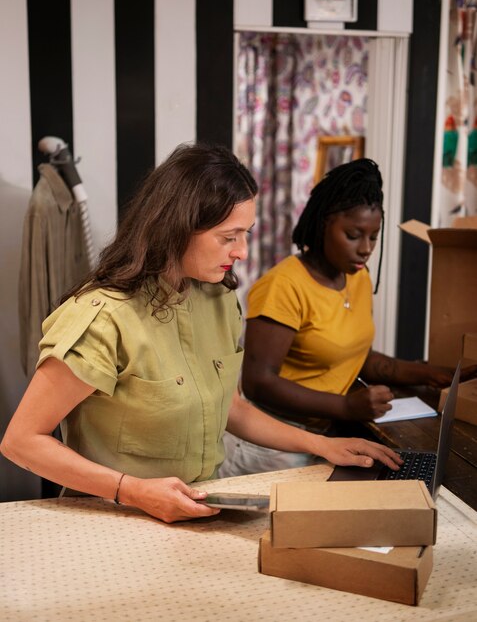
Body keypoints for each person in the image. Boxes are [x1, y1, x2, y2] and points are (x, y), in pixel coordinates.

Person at [1, 144, 402, 523]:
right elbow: (21, 441)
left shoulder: (217, 300)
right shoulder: (103, 317)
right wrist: (134, 491)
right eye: (229, 237)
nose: (242, 251)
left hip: (197, 504)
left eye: (246, 233)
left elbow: (231, 407)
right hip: (113, 513)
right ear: (176, 229)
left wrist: (322, 445)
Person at [219, 157, 477, 477]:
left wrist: (430, 373)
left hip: (321, 437)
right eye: (353, 235)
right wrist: (345, 406)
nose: (365, 248)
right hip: (268, 443)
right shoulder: (283, 286)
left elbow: (354, 355)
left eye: (373, 236)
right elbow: (258, 384)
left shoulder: (357, 277)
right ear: (324, 223)